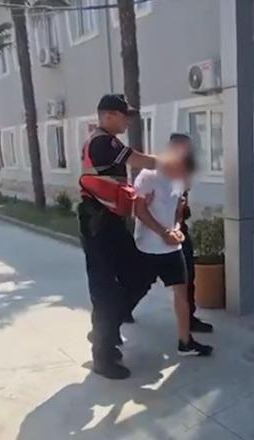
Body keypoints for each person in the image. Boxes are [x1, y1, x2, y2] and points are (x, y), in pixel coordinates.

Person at [79, 94, 161, 380]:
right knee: (105, 290)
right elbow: (140, 160)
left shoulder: (105, 142)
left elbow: (116, 186)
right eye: (124, 115)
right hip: (98, 223)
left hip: (109, 221)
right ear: (108, 115)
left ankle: (107, 328)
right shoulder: (104, 141)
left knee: (140, 273)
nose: (127, 121)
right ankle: (102, 356)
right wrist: (170, 163)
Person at [133, 144, 214, 356]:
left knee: (182, 291)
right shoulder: (148, 176)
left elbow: (178, 211)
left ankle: (185, 343)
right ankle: (109, 328)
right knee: (133, 291)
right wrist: (163, 233)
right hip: (147, 247)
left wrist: (176, 229)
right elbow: (139, 210)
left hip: (171, 247)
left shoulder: (179, 180)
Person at [168, 133, 214, 333]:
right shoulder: (162, 170)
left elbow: (183, 196)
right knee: (141, 280)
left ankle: (189, 319)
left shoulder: (182, 169)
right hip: (160, 233)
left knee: (187, 277)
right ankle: (119, 314)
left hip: (179, 231)